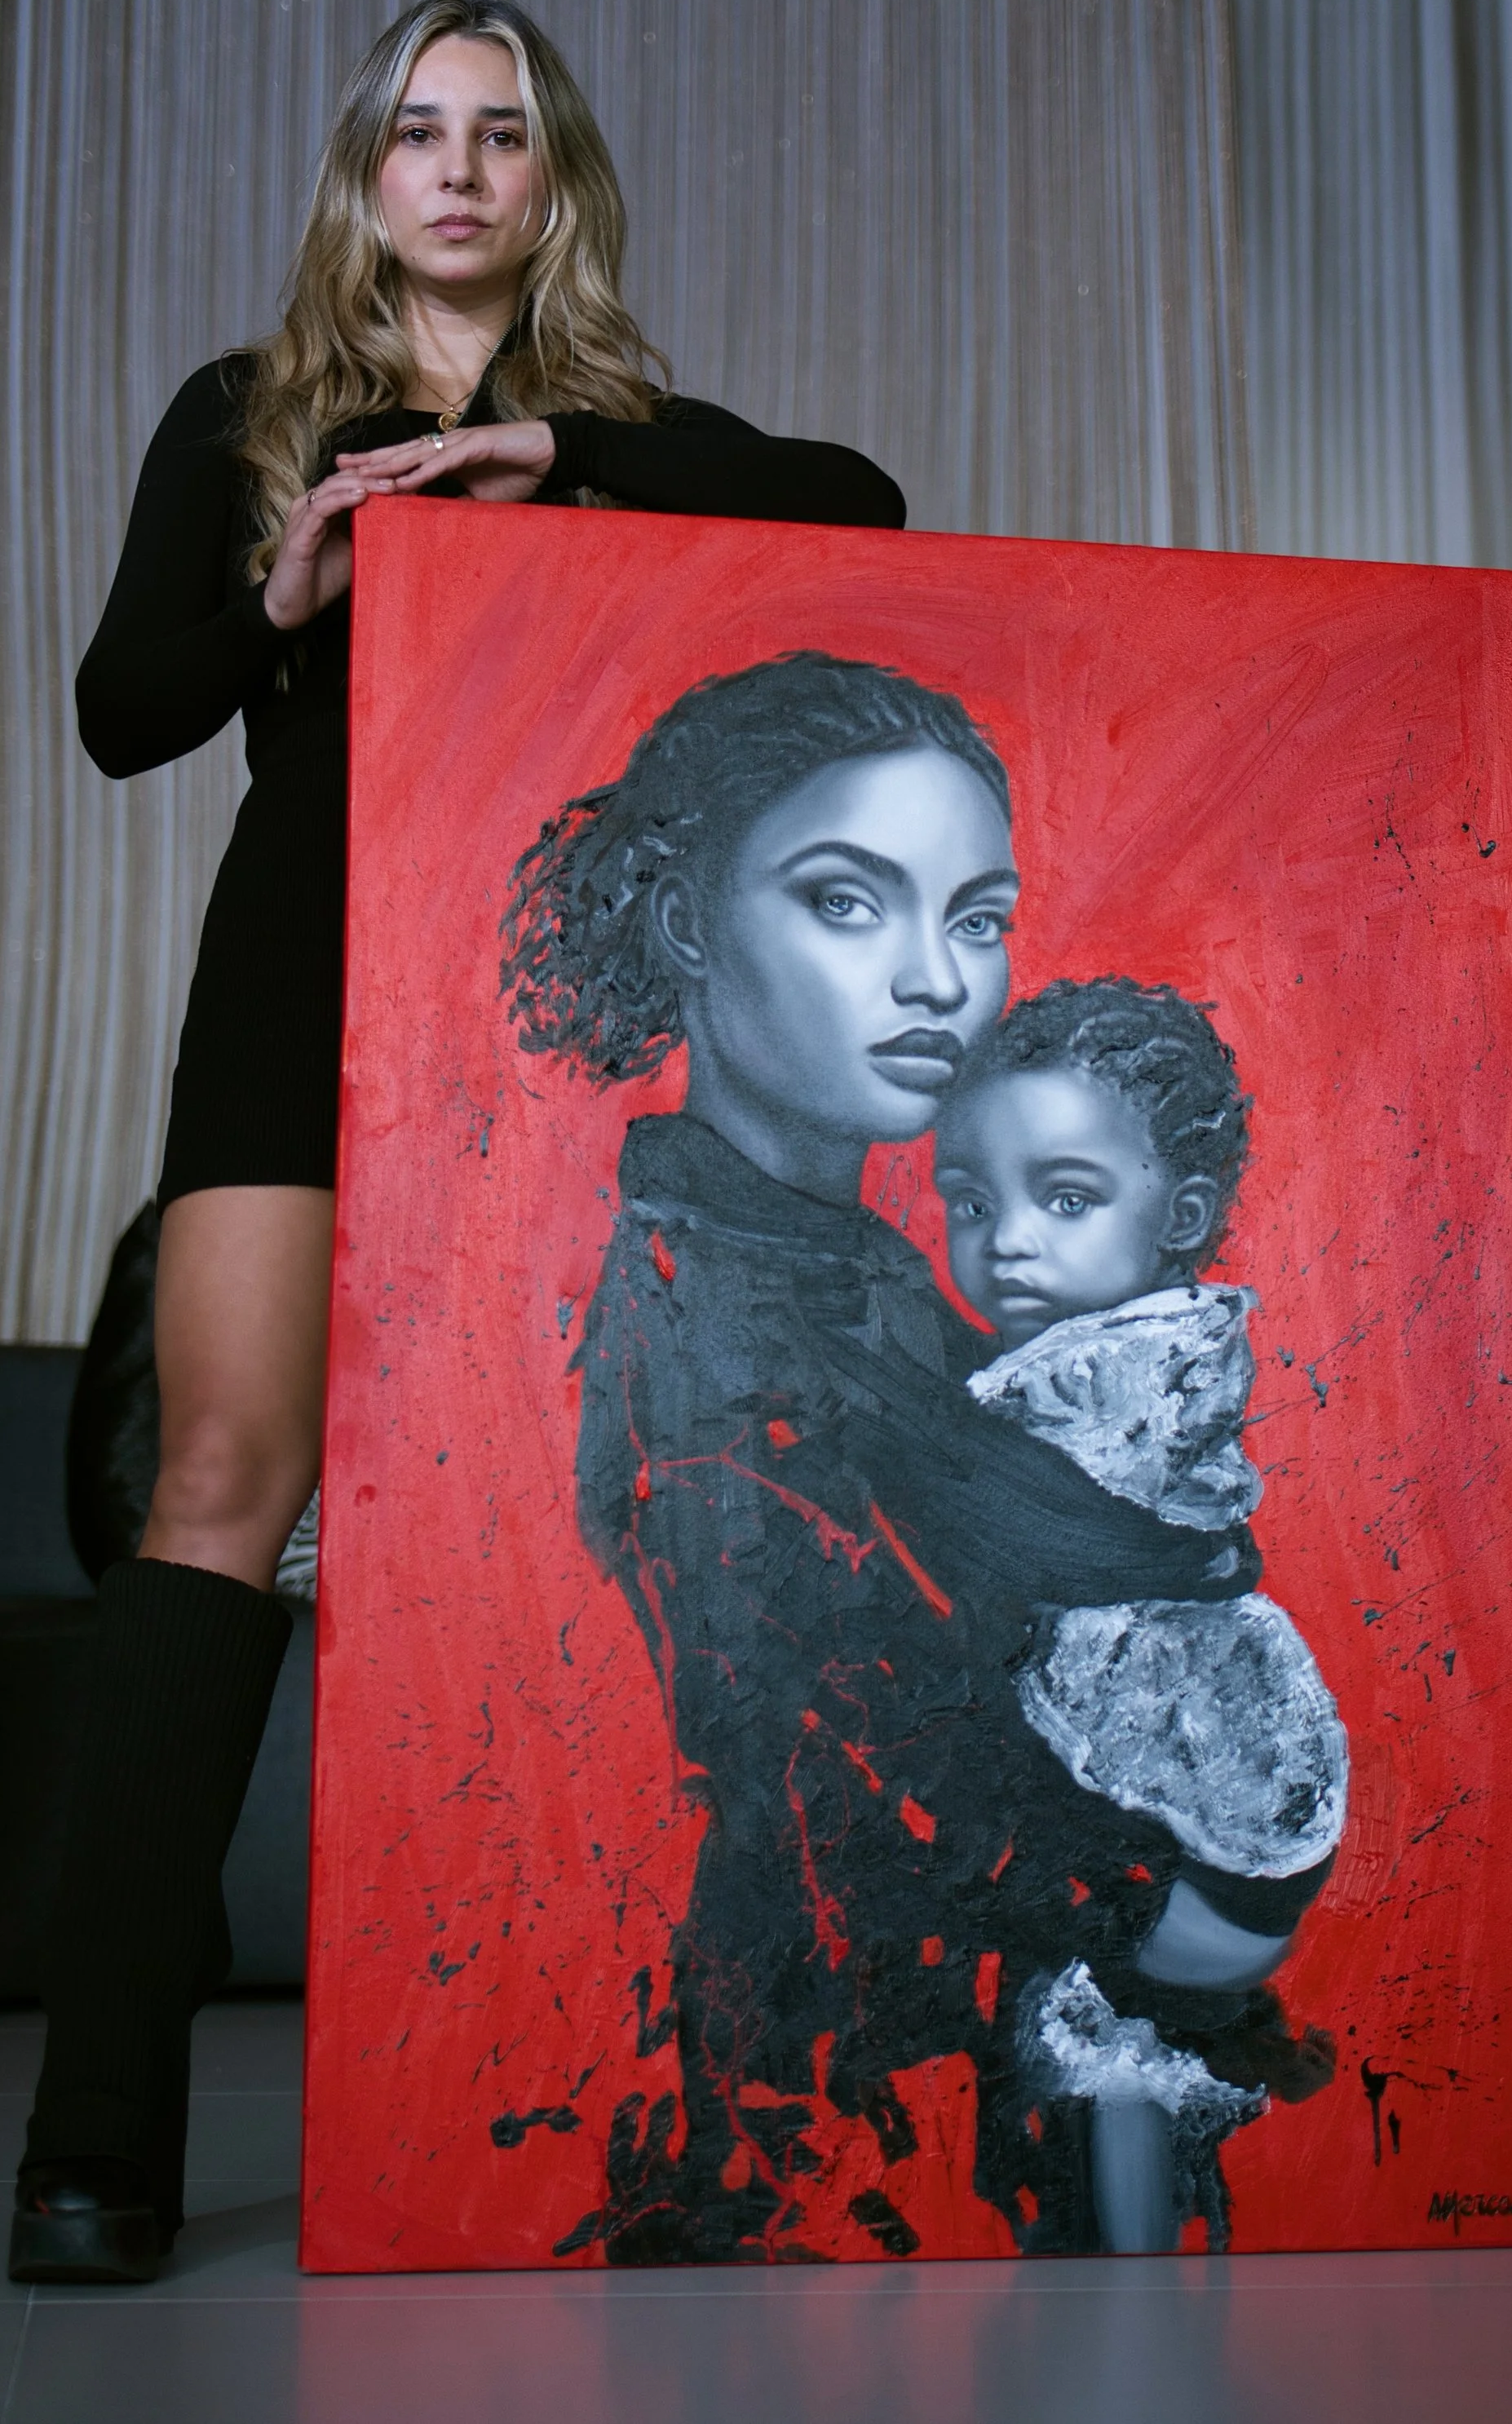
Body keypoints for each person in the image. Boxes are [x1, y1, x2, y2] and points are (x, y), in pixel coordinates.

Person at [10, 0, 909, 2287]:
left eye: (502, 133)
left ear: (552, 183)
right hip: (296, 966)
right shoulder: (249, 411)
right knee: (217, 1485)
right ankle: (91, 2136)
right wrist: (278, 594)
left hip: (524, 1022)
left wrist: (556, 480)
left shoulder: (613, 427)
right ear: (363, 172)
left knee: (546, 1512)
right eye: (419, 130)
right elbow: (126, 710)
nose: (459, 168)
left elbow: (865, 510)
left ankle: (585, 2104)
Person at [500, 657, 1271, 2261]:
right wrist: (1178, 1898)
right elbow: (841, 1737)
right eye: (848, 905)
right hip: (857, 2107)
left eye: (974, 919)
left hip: (984, 2058)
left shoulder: (848, 1268)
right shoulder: (701, 1315)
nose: (935, 981)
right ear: (688, 923)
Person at [934, 977, 1344, 2248]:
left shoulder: (1108, 1378)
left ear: (1182, 1217)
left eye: (1064, 1199)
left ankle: (1123, 2287)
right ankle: (1133, 2255)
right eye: (971, 1201)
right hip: (1242, 1800)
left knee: (1083, 2025)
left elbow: (996, 1501)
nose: (1007, 1240)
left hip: (1206, 1831)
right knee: (1115, 2053)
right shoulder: (1159, 1336)